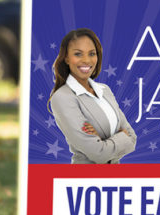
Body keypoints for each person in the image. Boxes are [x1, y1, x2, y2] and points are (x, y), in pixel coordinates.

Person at [48, 28, 136, 164]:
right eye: (78, 54)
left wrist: (104, 140)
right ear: (66, 58)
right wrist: (121, 137)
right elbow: (98, 153)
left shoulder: (104, 90)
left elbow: (133, 139)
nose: (86, 60)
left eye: (92, 54)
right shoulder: (62, 98)